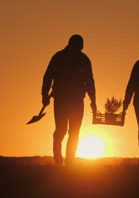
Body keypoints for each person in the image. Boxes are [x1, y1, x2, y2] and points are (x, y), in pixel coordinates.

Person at [41, 34, 97, 166]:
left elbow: (89, 81)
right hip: (63, 99)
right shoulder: (61, 57)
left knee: (73, 130)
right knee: (63, 129)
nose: (81, 48)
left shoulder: (80, 59)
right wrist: (44, 94)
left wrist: (93, 100)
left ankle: (69, 160)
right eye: (80, 45)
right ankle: (59, 156)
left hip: (74, 100)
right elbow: (48, 76)